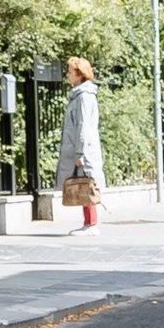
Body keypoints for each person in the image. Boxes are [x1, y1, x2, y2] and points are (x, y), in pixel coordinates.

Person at [55, 57, 104, 228]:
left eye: (70, 72)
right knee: (84, 182)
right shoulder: (80, 95)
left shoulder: (84, 97)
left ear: (79, 74)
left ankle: (91, 224)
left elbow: (83, 125)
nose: (67, 75)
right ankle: (88, 223)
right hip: (82, 148)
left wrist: (80, 152)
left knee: (86, 183)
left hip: (84, 149)